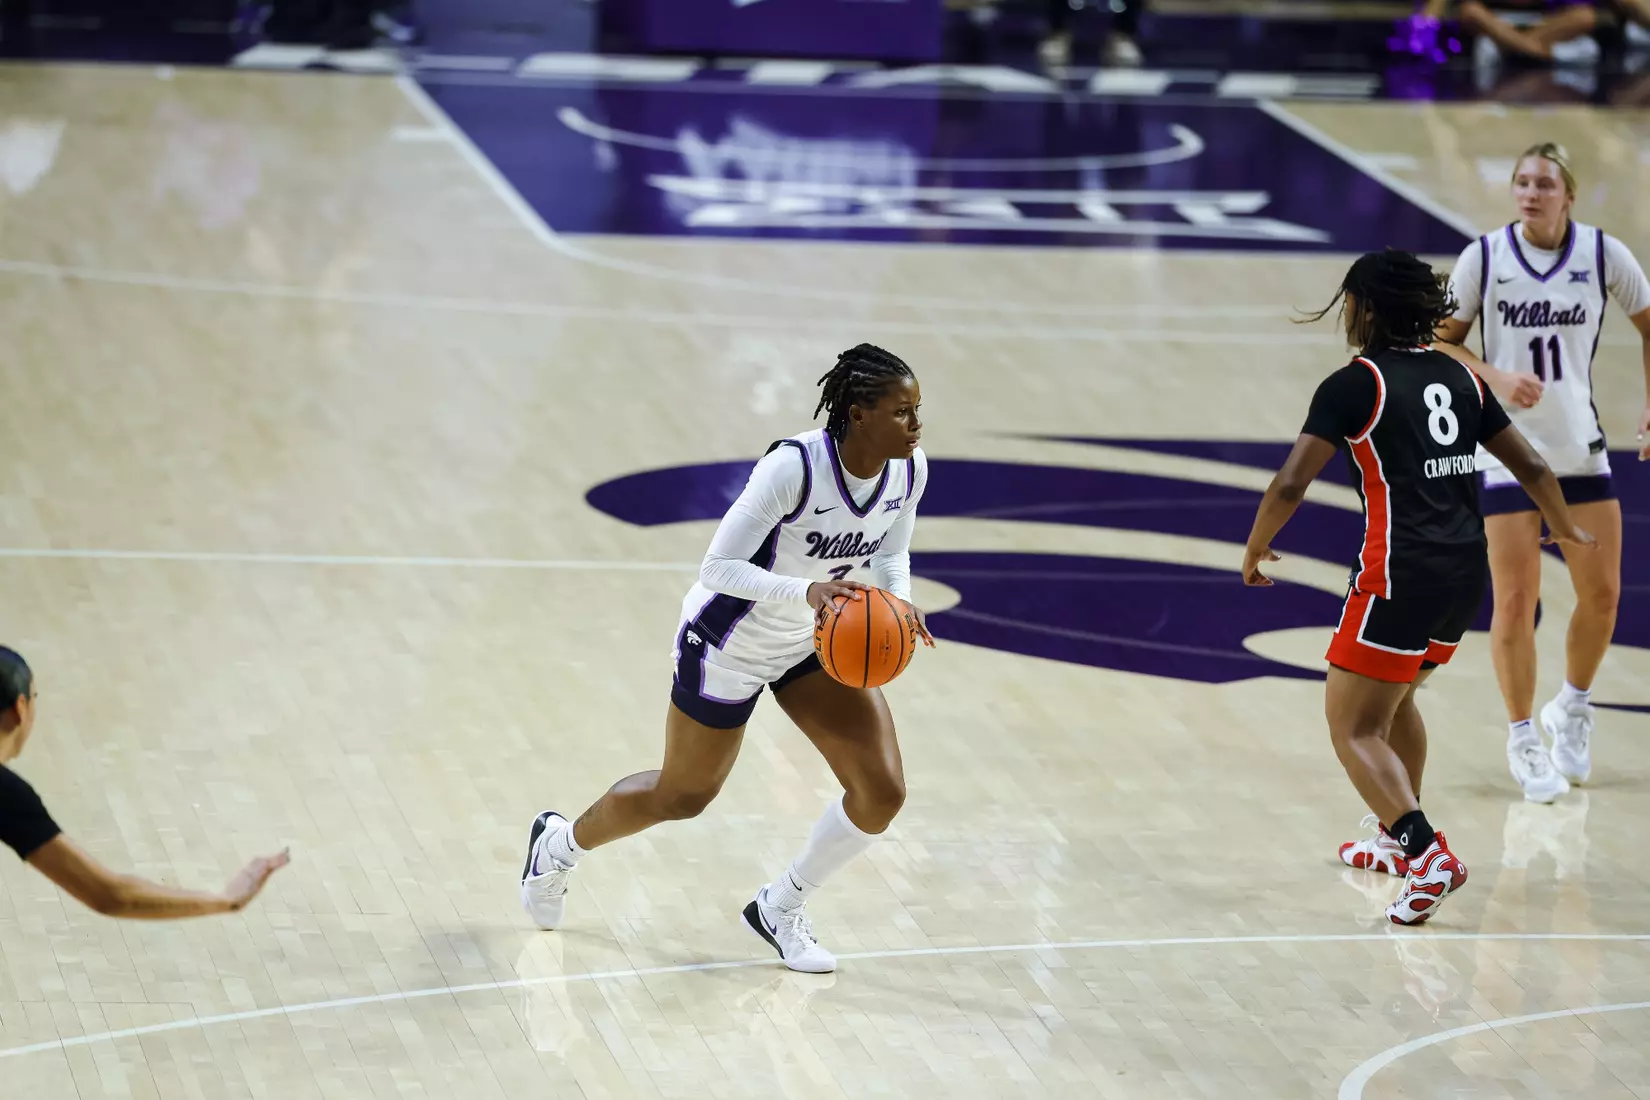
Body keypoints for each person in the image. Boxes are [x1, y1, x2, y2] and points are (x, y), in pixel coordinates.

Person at [520, 344, 933, 972]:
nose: (916, 424)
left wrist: (899, 606)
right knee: (683, 796)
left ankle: (781, 907)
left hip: (813, 643)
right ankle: (557, 847)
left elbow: (892, 553)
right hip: (729, 642)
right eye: (902, 412)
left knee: (881, 792)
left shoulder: (909, 470)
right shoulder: (793, 468)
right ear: (858, 413)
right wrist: (808, 591)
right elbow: (717, 568)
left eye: (917, 410)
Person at [1242, 250, 1593, 926]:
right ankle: (1389, 834)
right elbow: (1531, 462)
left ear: (1367, 307)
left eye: (1350, 300)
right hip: (1464, 571)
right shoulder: (1460, 379)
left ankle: (1426, 854)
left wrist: (1257, 544)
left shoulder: (1354, 384)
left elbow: (1290, 482)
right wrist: (1564, 529)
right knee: (1396, 698)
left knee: (1351, 726)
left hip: (1398, 571)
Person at [1433, 142, 1650, 804]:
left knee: (1604, 593)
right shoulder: (1486, 257)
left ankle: (1572, 708)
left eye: (1543, 184)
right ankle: (1523, 737)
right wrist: (1495, 374)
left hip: (1578, 447)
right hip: (1506, 451)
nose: (1529, 192)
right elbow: (1439, 339)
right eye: (1521, 182)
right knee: (1517, 603)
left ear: (1569, 195)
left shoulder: (1604, 255)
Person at [0, 647, 290, 918]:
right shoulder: (6, 795)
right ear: (20, 708)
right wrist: (226, 900)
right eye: (35, 697)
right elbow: (111, 895)